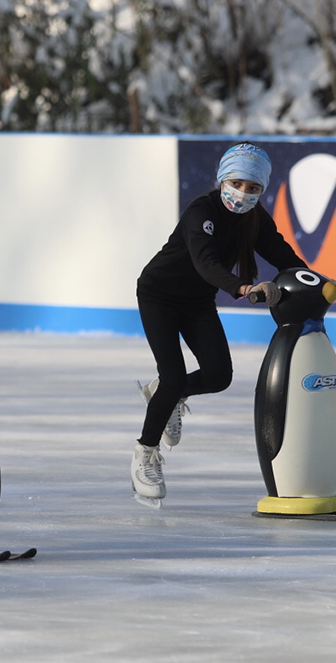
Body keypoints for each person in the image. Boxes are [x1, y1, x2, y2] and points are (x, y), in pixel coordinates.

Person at [132, 142, 310, 505]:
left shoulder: (256, 219)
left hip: (197, 303)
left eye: (254, 188)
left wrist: (317, 282)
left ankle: (168, 397)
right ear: (223, 179)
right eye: (238, 183)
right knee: (174, 375)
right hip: (159, 296)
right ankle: (145, 454)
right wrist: (241, 287)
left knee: (218, 375)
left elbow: (281, 254)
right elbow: (205, 262)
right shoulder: (202, 211)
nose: (244, 193)